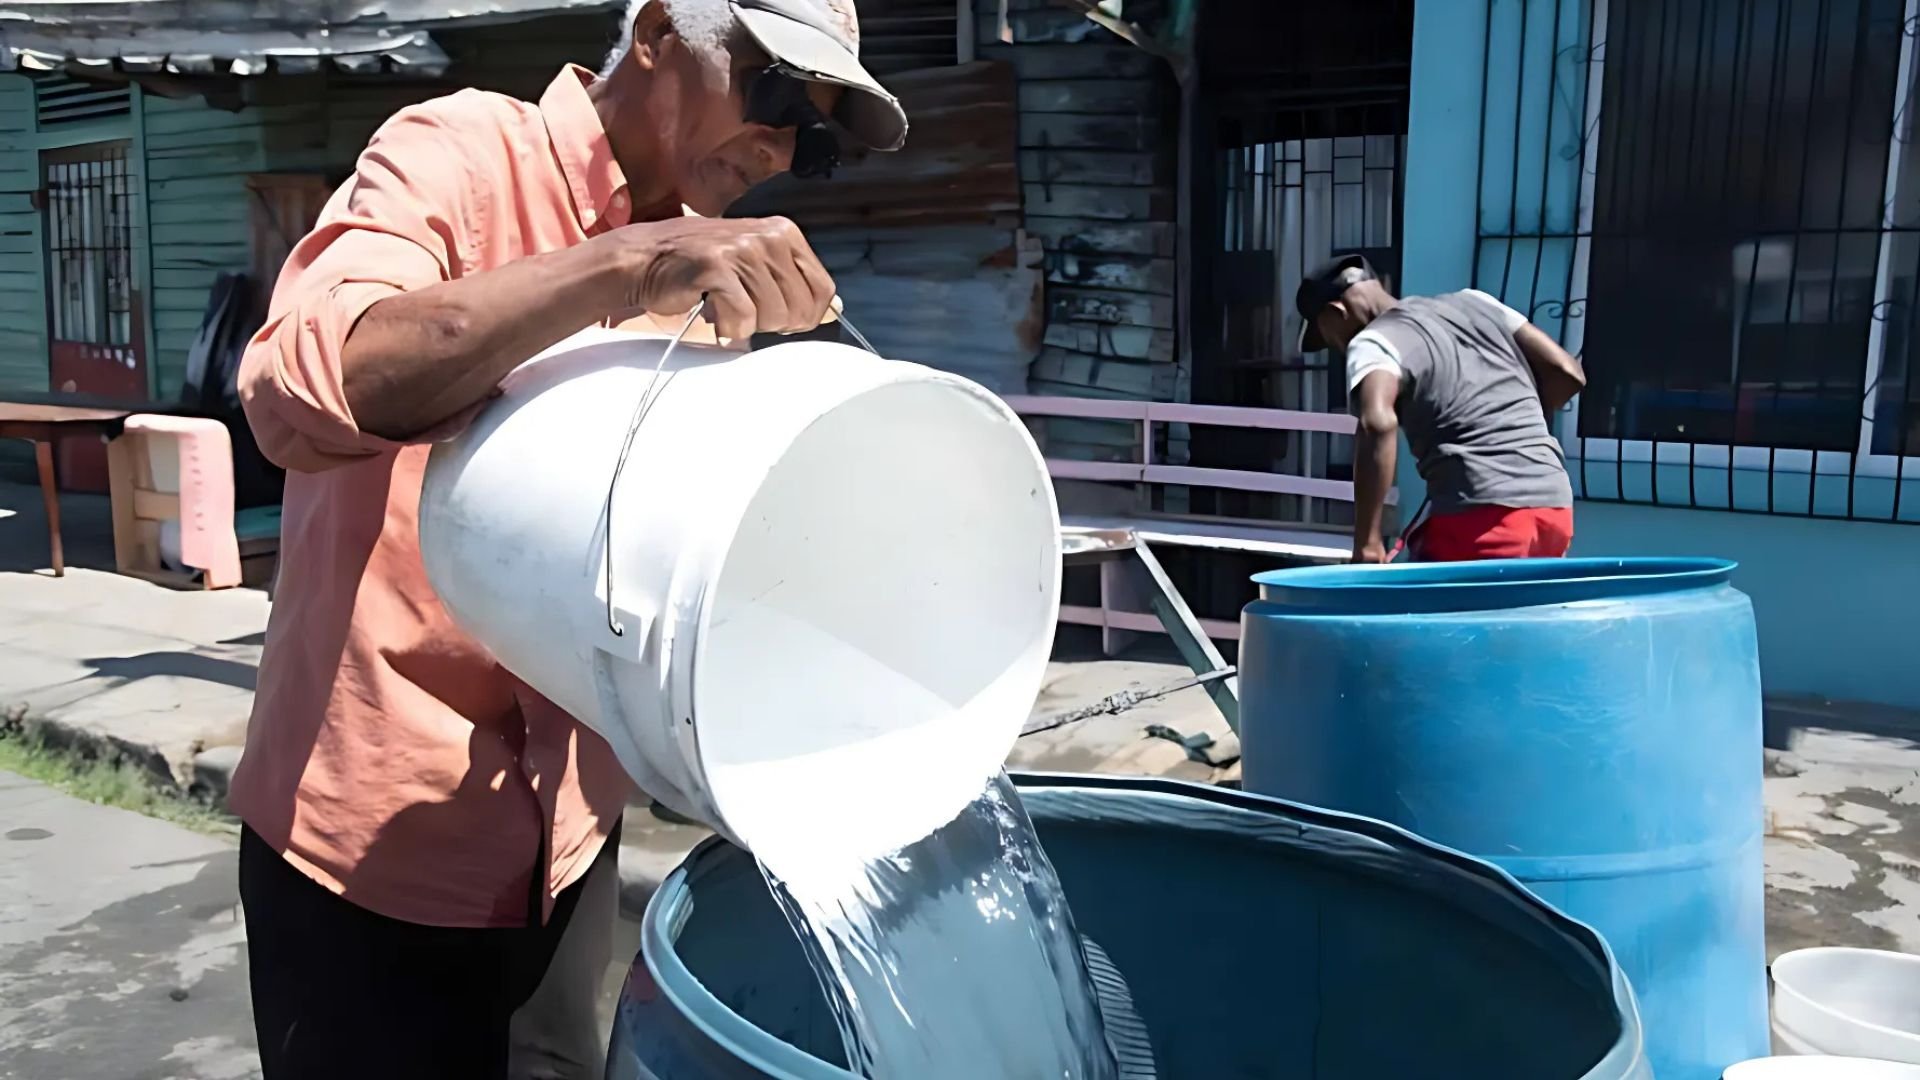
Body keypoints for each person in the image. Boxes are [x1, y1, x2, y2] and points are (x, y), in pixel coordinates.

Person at [229, 0, 907, 1076]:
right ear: (652, 35)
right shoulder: (457, 153)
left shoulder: (712, 278)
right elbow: (301, 393)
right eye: (776, 94)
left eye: (814, 138)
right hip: (368, 852)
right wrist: (623, 266)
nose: (780, 147)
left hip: (570, 843)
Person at [1294, 255, 1587, 564]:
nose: (1336, 346)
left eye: (1326, 337)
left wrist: (1367, 543)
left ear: (1335, 313)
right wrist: (1514, 425)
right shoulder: (1476, 303)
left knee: (1411, 610)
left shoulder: (1374, 342)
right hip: (1553, 508)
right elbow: (1567, 372)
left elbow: (1377, 424)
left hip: (1481, 519)